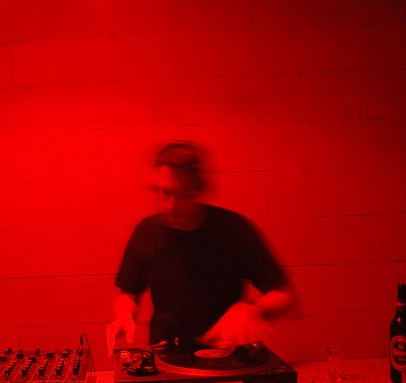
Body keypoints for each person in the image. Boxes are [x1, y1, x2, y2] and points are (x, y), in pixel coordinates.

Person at [107, 141, 298, 354]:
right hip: (166, 354)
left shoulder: (233, 229)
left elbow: (285, 295)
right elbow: (127, 292)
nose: (171, 205)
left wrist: (253, 310)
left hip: (226, 352)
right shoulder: (146, 231)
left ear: (200, 190)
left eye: (183, 195)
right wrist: (124, 315)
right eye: (165, 193)